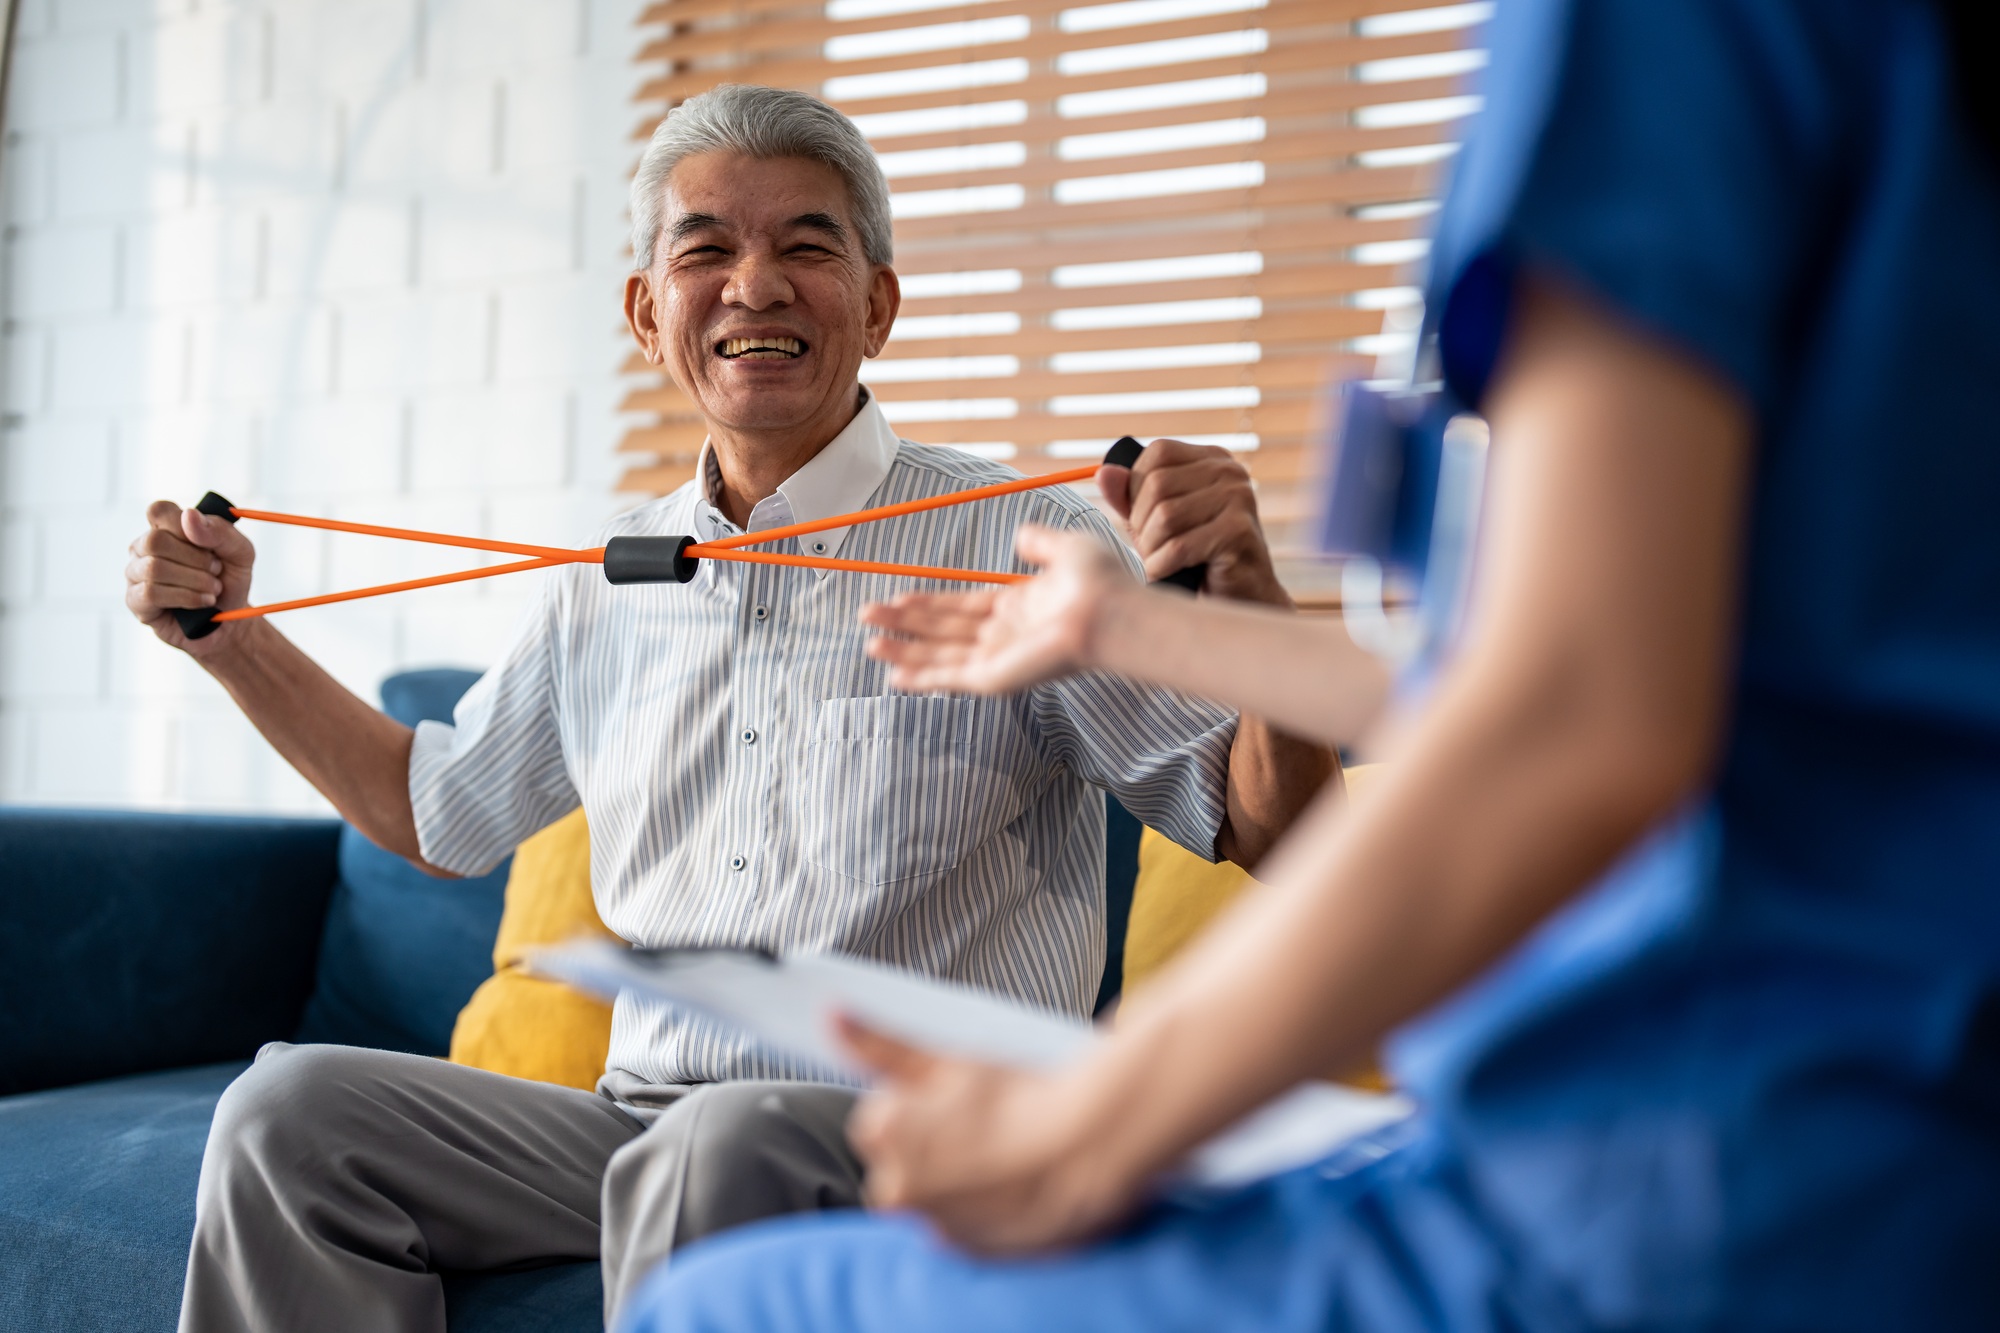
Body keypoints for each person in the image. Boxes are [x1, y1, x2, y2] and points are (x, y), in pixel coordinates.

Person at [618, 2, 2000, 1329]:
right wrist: (1144, 628)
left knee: (724, 1304)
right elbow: (1663, 694)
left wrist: (1083, 1129)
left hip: (1679, 1174)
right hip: (1880, 1128)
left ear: (877, 300)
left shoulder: (1671, 32)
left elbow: (1581, 721)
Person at [122, 85, 1335, 1333]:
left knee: (719, 1139)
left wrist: (1252, 610)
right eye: (705, 248)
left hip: (939, 1134)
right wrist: (230, 640)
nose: (754, 286)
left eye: (806, 246)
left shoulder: (1028, 541)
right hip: (639, 1123)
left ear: (877, 305)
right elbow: (434, 810)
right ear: (649, 314)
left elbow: (1268, 830)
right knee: (289, 1116)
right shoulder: (610, 582)